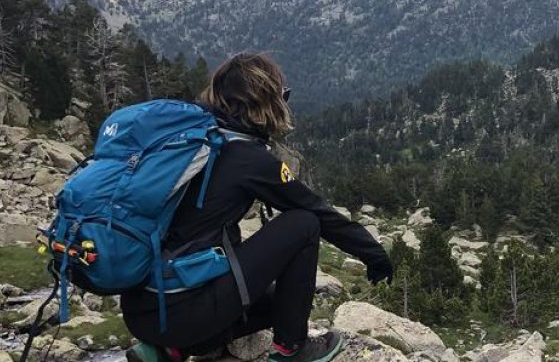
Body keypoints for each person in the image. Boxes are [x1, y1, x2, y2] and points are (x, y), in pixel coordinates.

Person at [121, 52, 393, 362]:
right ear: (264, 102)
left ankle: (170, 349)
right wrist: (373, 254)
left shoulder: (191, 143)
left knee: (282, 301)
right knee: (304, 224)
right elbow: (316, 210)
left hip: (142, 311)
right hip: (182, 311)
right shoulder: (247, 158)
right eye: (282, 96)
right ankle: (292, 349)